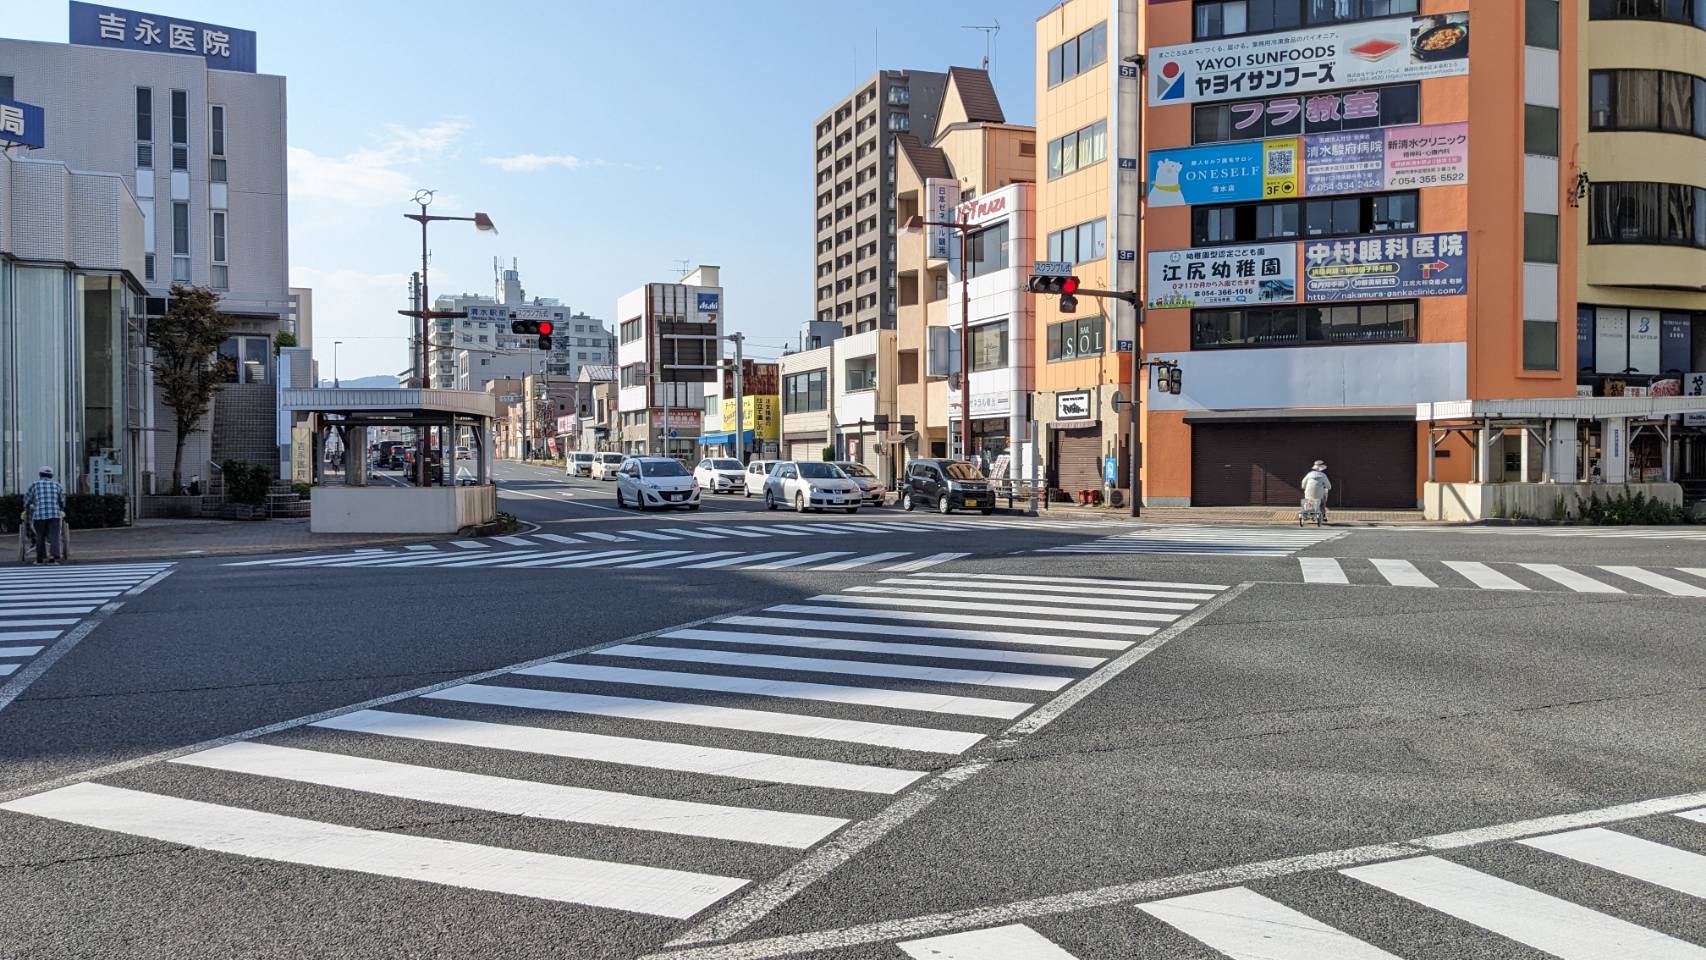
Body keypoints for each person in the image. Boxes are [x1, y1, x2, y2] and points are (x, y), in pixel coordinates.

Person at [23, 466, 67, 565]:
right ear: (51, 475)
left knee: (40, 536)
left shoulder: (34, 485)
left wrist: (26, 508)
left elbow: (27, 500)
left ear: (40, 475)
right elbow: (62, 502)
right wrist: (61, 508)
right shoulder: (57, 485)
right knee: (54, 536)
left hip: (39, 515)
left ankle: (40, 559)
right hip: (54, 514)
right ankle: (53, 558)